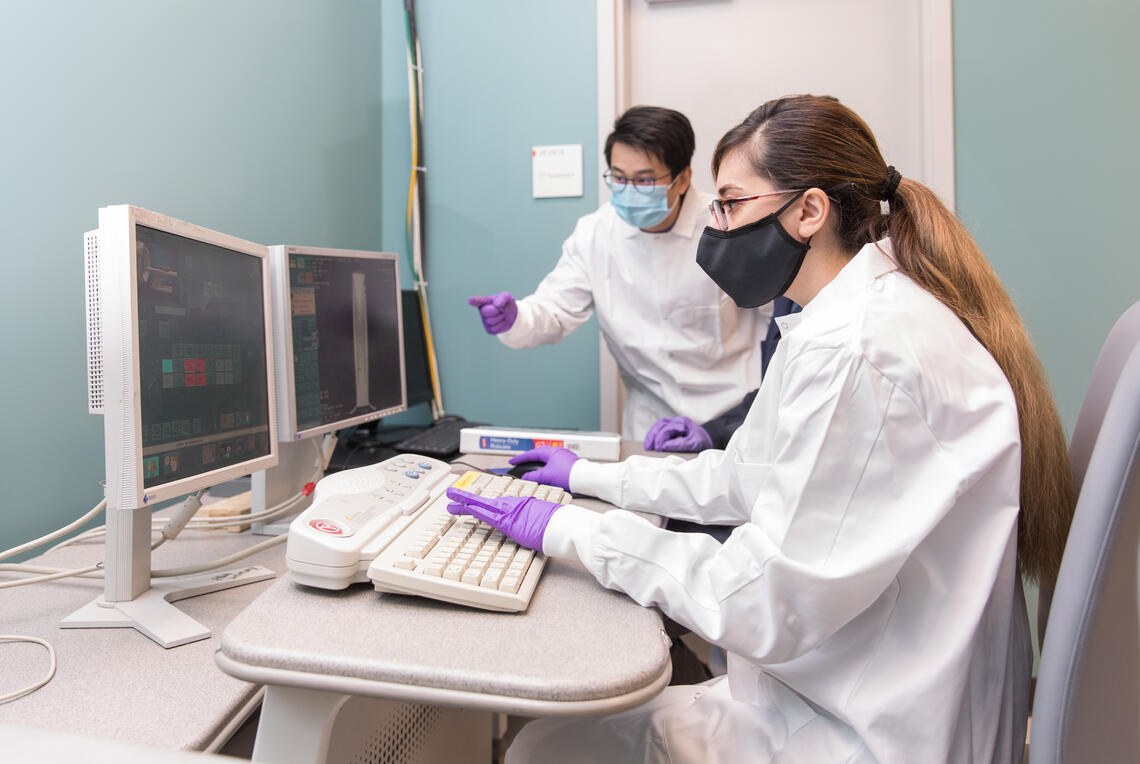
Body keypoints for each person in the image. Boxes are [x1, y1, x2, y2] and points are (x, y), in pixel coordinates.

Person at [447, 94, 1076, 763]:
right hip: (848, 685)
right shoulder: (843, 316)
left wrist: (568, 529)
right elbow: (746, 475)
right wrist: (591, 476)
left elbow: (759, 602)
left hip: (864, 728)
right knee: (558, 734)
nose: (715, 229)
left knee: (540, 747)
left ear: (808, 210)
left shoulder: (857, 350)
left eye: (730, 203)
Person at [467, 106, 773, 440]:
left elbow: (778, 322)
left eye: (644, 180)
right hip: (651, 428)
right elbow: (554, 312)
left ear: (682, 178)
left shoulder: (729, 225)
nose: (628, 190)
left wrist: (736, 424)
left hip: (734, 421)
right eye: (619, 178)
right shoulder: (595, 233)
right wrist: (515, 318)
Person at [643, 296, 800, 452]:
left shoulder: (812, 310)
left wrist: (717, 433)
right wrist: (713, 432)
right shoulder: (785, 302)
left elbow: (787, 407)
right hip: (739, 431)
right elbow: (770, 395)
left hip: (773, 445)